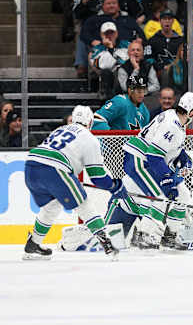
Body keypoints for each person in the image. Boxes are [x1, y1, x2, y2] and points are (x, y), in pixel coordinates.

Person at [23, 105, 127, 260]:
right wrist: (115, 186)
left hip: (31, 166)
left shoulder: (60, 129)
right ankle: (108, 245)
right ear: (90, 122)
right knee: (83, 204)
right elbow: (98, 178)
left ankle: (33, 245)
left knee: (52, 206)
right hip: (54, 169)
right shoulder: (90, 139)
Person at [106, 92, 193, 250]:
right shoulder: (172, 125)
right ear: (191, 112)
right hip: (138, 159)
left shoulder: (175, 119)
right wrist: (166, 180)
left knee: (183, 194)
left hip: (149, 160)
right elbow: (154, 155)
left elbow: (168, 148)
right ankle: (143, 235)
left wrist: (184, 158)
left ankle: (170, 236)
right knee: (161, 194)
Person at [89, 21, 130, 100]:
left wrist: (112, 51)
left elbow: (126, 62)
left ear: (116, 33)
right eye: (106, 33)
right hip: (108, 79)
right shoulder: (97, 49)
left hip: (125, 76)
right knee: (106, 72)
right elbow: (102, 65)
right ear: (101, 35)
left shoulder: (127, 45)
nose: (109, 36)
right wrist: (109, 48)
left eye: (112, 33)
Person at [144, 9, 184, 75]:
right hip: (158, 73)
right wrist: (161, 67)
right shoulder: (152, 40)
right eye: (164, 19)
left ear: (173, 21)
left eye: (169, 19)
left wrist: (173, 67)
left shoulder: (180, 40)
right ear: (160, 21)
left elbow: (185, 59)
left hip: (177, 73)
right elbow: (148, 59)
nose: (167, 21)